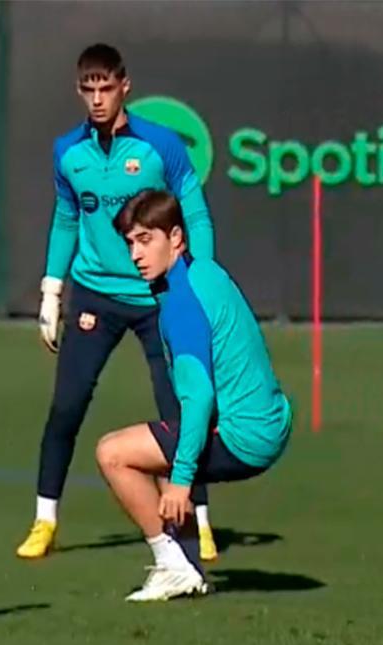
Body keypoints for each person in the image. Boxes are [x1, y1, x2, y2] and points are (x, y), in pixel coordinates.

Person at [17, 43, 219, 562]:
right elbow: (66, 219)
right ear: (79, 91)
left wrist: (203, 280)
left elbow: (194, 211)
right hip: (94, 295)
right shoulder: (69, 151)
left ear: (125, 86)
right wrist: (50, 290)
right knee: (66, 406)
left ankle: (198, 518)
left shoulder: (160, 145)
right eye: (89, 89)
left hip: (158, 298)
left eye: (106, 88)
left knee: (179, 406)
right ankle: (45, 519)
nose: (98, 98)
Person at [97, 189, 291, 602]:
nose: (135, 254)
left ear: (177, 239)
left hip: (246, 437)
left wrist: (182, 482)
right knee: (167, 446)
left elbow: (199, 396)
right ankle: (189, 572)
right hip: (270, 421)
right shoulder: (204, 272)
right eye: (130, 242)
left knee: (113, 453)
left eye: (146, 239)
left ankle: (171, 564)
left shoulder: (181, 303)